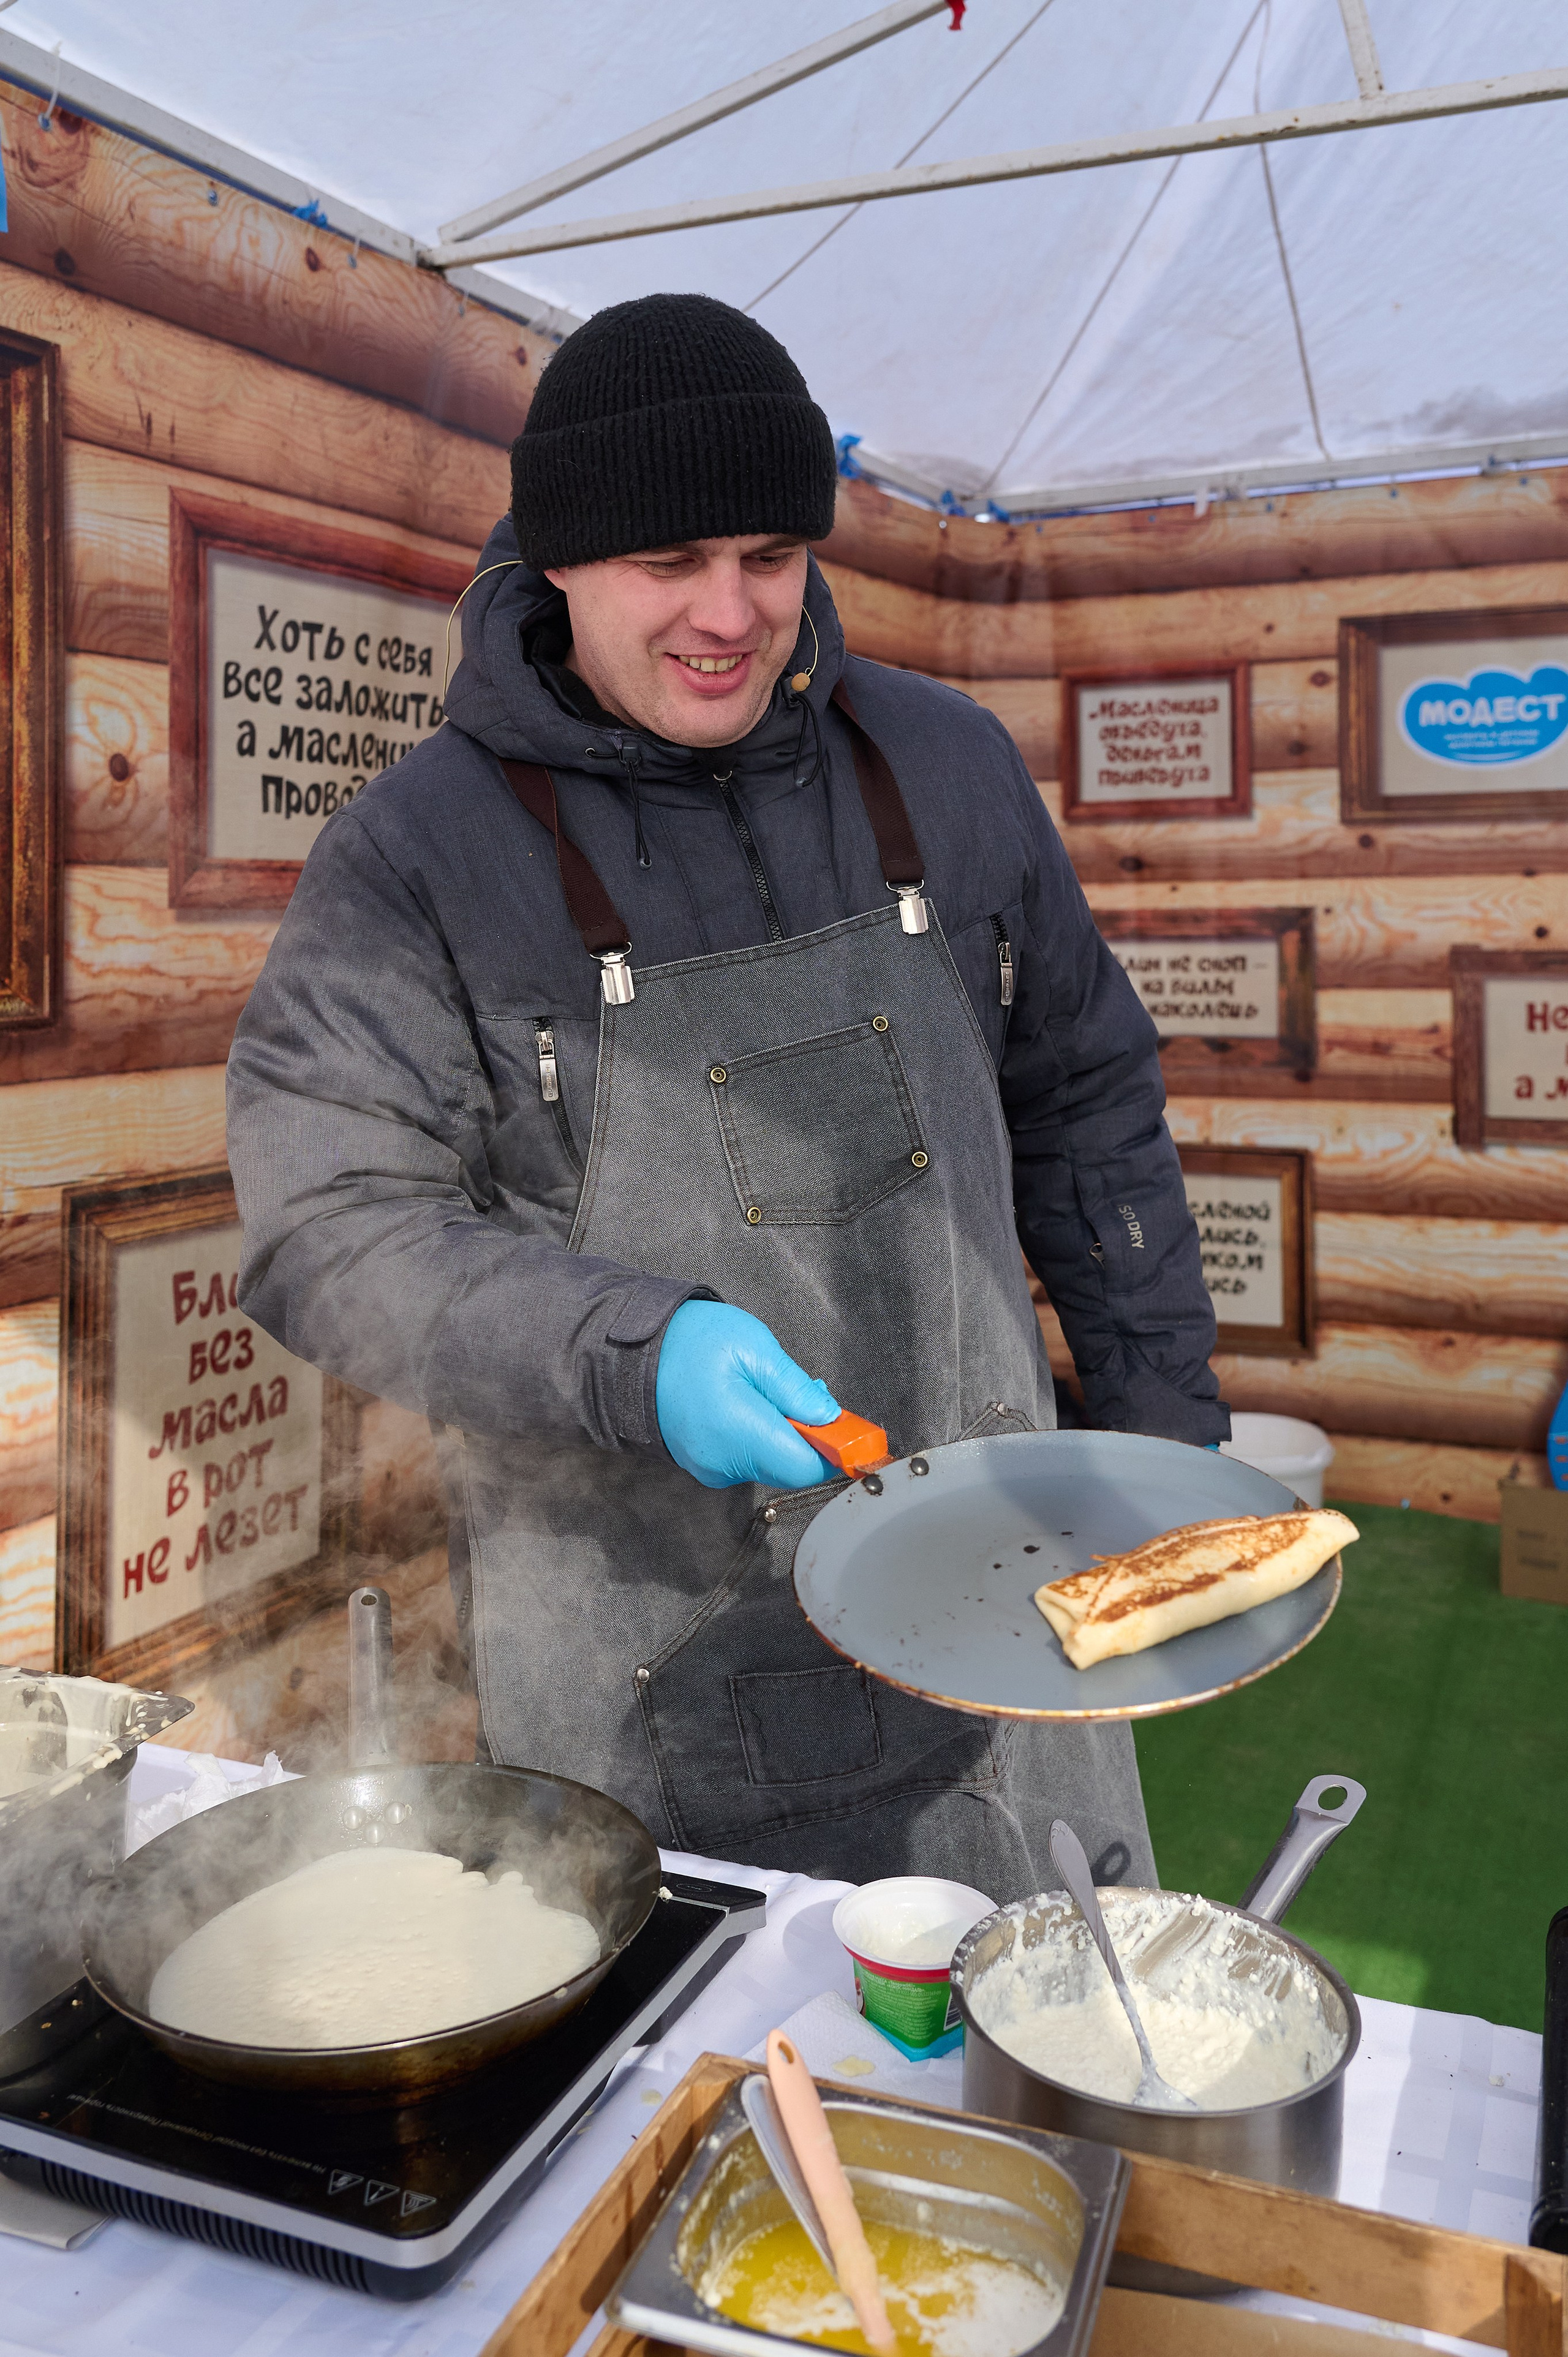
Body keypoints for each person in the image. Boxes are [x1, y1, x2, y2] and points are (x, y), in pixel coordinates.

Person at [227, 293, 1227, 1898]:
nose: (732, 612)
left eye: (770, 553)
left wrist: (1167, 1440)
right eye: (670, 563)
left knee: (1050, 2045)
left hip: (996, 1576)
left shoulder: (947, 767)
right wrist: (636, 1346)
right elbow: (325, 1230)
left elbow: (1089, 1095)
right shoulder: (419, 862)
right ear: (557, 563)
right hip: (643, 1640)